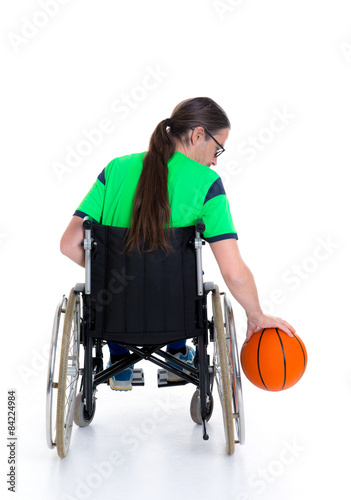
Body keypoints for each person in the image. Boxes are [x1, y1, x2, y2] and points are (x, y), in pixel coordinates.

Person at [60, 96, 295, 391]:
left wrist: (108, 266)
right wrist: (256, 314)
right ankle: (178, 356)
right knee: (187, 280)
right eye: (216, 148)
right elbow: (234, 272)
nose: (215, 160)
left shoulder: (116, 169)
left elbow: (70, 245)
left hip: (114, 319)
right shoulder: (207, 183)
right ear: (198, 135)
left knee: (112, 288)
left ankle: (118, 360)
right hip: (178, 319)